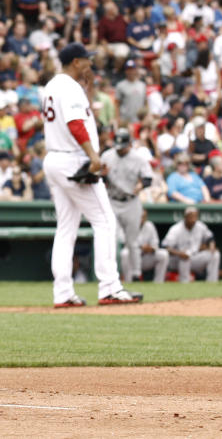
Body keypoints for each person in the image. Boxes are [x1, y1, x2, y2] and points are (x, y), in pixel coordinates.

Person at [42, 42, 142, 308]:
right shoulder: (69, 87)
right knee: (105, 221)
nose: (90, 63)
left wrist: (86, 90)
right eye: (86, 60)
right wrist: (94, 156)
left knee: (66, 228)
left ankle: (62, 293)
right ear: (76, 62)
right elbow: (75, 124)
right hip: (73, 158)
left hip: (54, 159)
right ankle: (110, 287)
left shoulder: (53, 85)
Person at [100, 128, 153, 281]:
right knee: (112, 238)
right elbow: (99, 178)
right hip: (112, 200)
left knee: (132, 241)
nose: (120, 150)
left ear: (130, 144)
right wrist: (102, 175)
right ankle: (111, 274)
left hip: (131, 201)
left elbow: (148, 178)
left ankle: (136, 273)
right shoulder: (107, 156)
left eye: (123, 146)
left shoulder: (139, 158)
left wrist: (140, 185)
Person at [161, 206, 221, 283]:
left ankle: (212, 282)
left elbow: (210, 238)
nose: (193, 219)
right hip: (178, 259)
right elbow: (165, 247)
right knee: (185, 257)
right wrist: (179, 253)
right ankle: (184, 283)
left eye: (195, 216)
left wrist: (211, 247)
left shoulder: (200, 226)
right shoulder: (176, 229)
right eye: (191, 216)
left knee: (215, 254)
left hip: (195, 258)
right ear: (185, 217)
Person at [119, 210, 169, 284]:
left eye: (143, 217)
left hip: (146, 258)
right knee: (124, 253)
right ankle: (128, 281)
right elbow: (124, 241)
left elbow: (155, 244)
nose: (141, 219)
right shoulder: (129, 225)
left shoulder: (150, 226)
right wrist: (140, 247)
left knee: (163, 254)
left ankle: (158, 282)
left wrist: (151, 248)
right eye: (140, 217)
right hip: (132, 259)